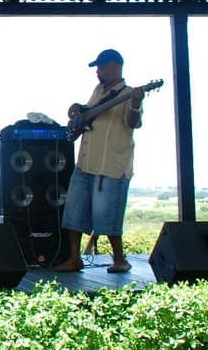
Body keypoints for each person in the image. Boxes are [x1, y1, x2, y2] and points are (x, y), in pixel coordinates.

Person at [54, 48, 144, 274]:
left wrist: (135, 104)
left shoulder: (129, 94)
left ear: (115, 66)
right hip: (85, 163)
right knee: (73, 213)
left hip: (111, 165)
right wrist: (77, 110)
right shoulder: (98, 91)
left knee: (108, 216)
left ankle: (120, 259)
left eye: (101, 68)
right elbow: (86, 115)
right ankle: (74, 258)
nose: (98, 72)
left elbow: (133, 122)